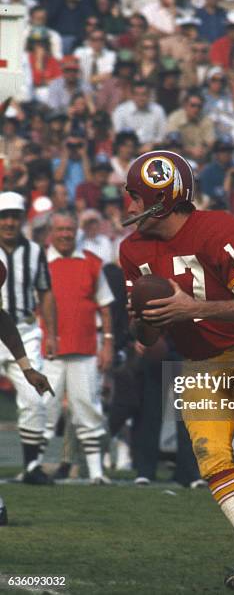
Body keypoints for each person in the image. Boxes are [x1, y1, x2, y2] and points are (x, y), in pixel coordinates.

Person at [119, 150, 234, 590]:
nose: (129, 206)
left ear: (164, 198)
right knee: (213, 457)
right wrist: (144, 318)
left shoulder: (221, 230)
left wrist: (193, 308)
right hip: (198, 361)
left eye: (136, 196)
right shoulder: (133, 249)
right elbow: (145, 339)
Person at [41, 211, 114, 484]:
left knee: (88, 409)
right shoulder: (41, 262)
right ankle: (33, 466)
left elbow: (106, 308)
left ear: (76, 232)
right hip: (49, 349)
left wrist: (107, 343)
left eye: (69, 230)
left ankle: (96, 472)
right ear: (51, 232)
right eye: (60, 229)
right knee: (44, 409)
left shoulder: (92, 263)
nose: (65, 234)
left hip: (85, 348)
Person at [0, 191, 57, 484]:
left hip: (20, 328)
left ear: (22, 220)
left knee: (35, 400)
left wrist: (52, 333)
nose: (9, 222)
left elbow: (45, 292)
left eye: (14, 217)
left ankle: (32, 465)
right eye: (4, 216)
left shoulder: (35, 251)